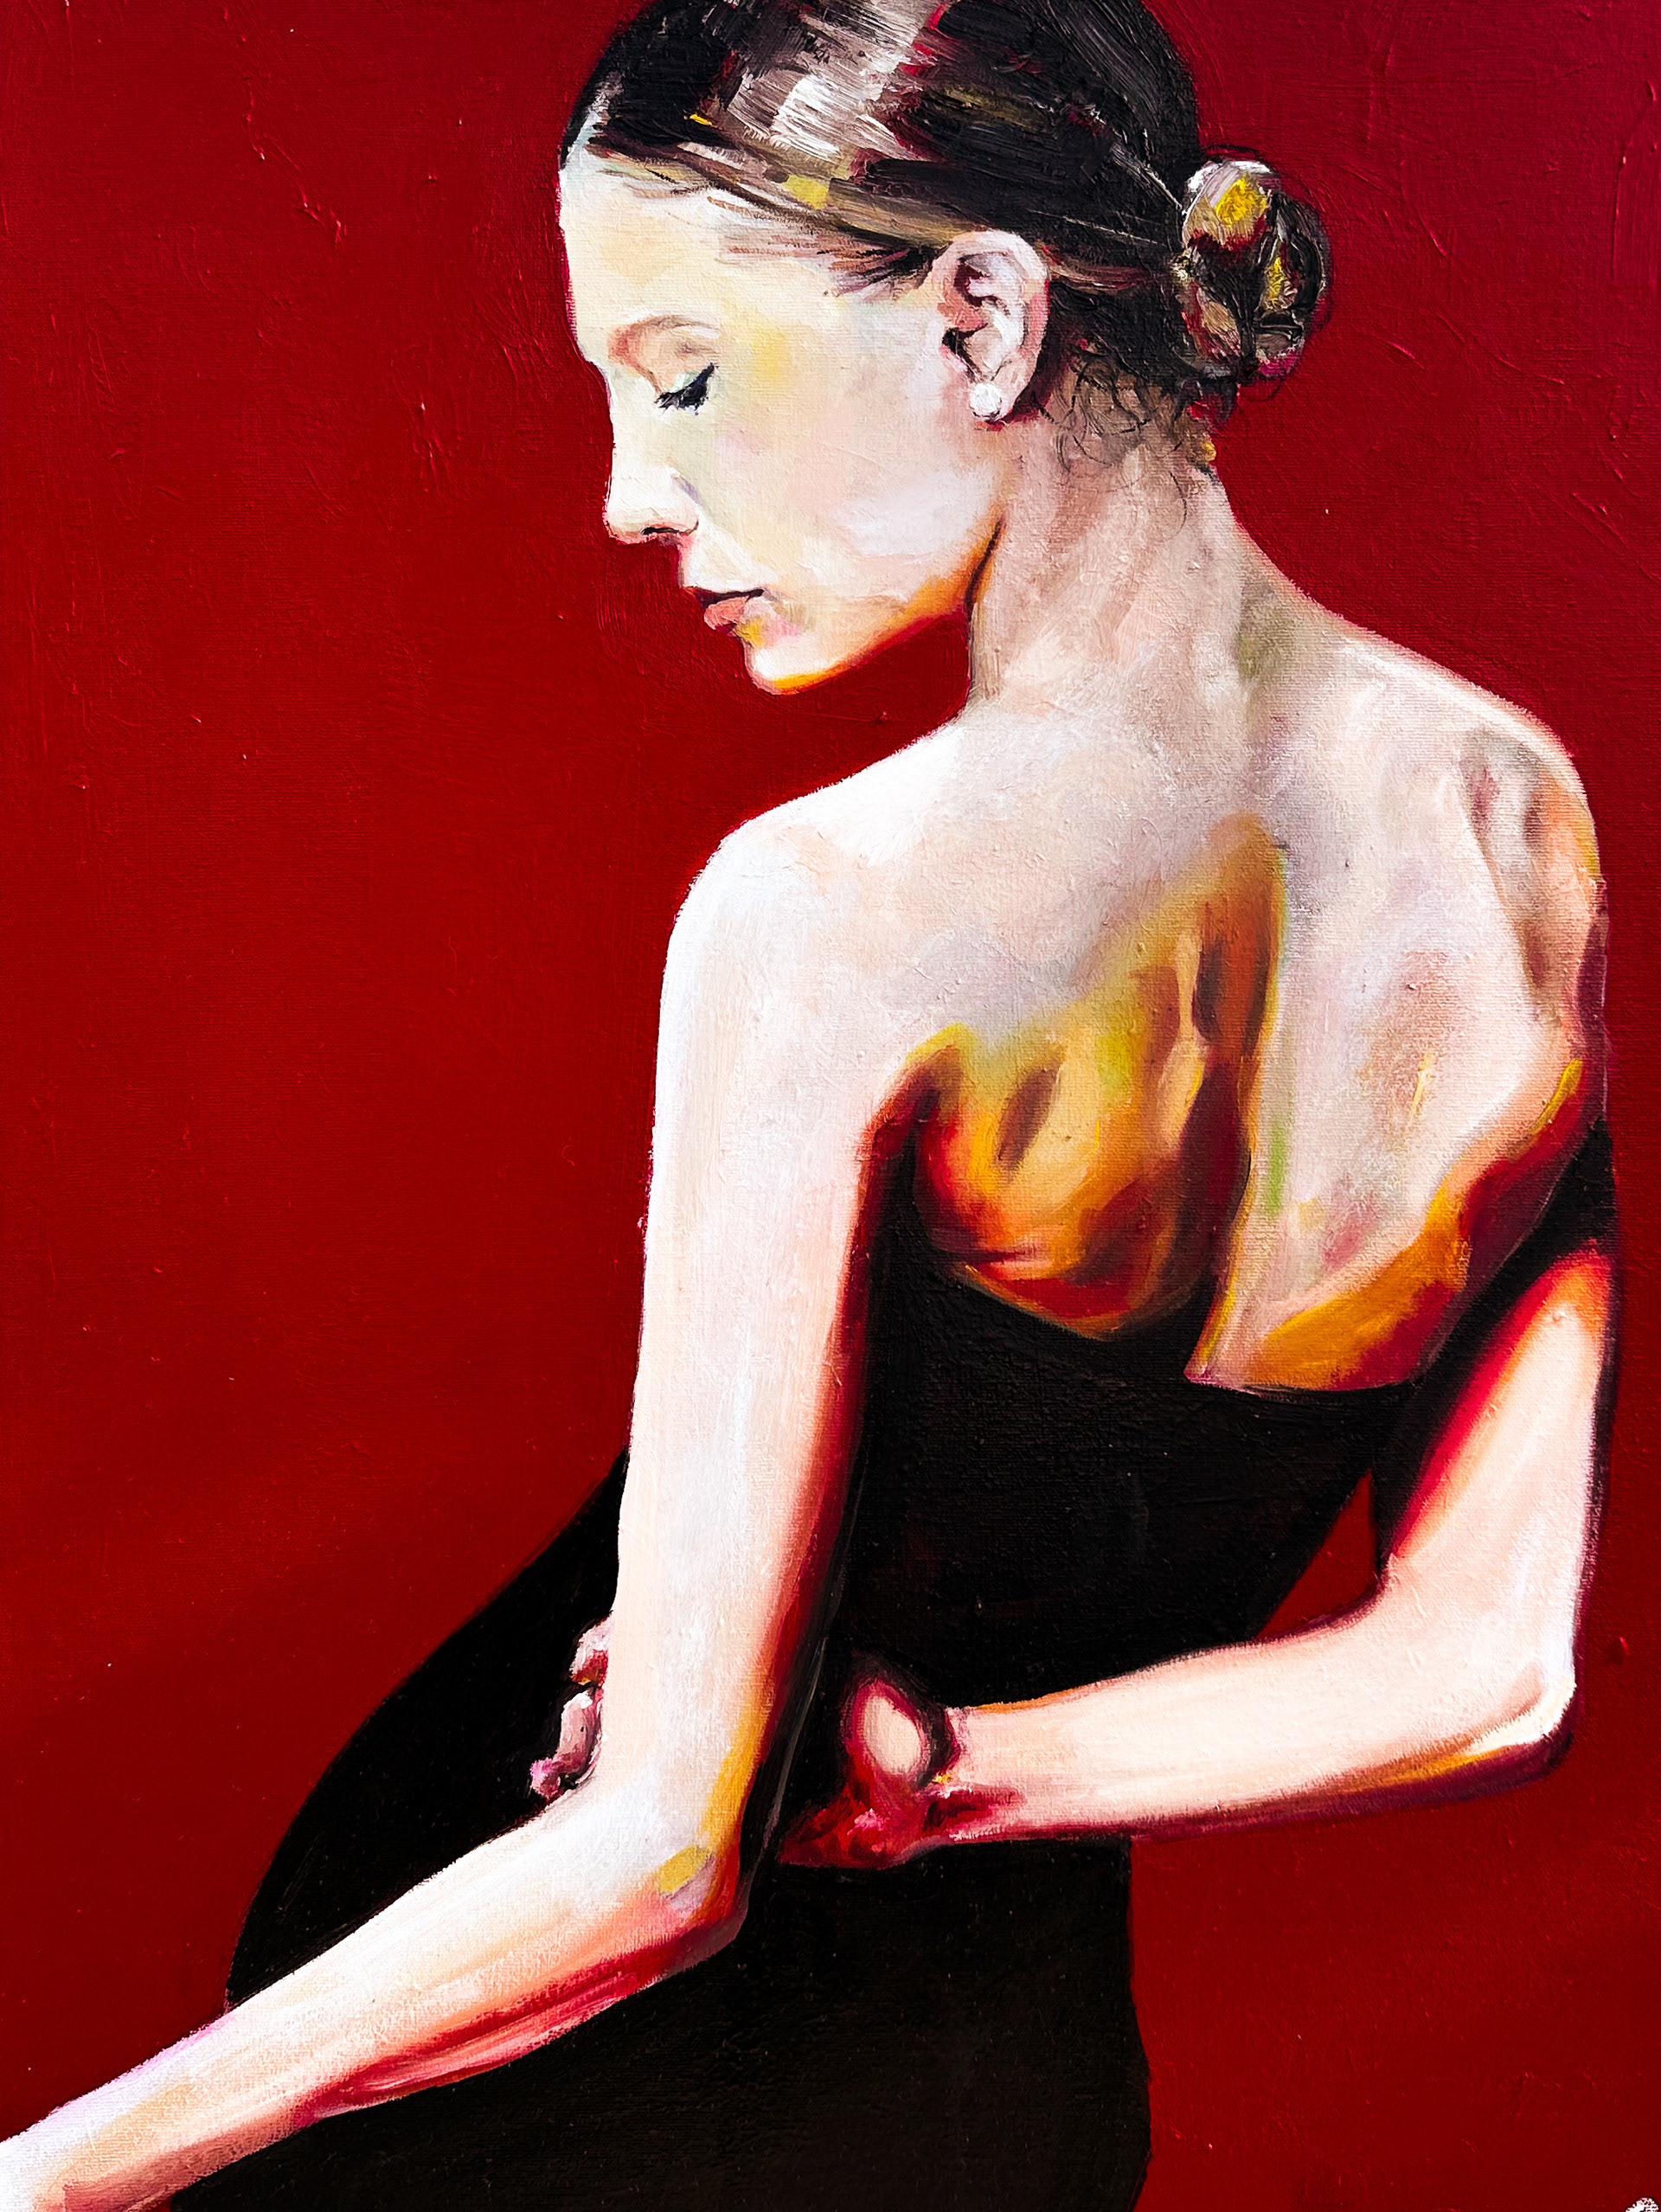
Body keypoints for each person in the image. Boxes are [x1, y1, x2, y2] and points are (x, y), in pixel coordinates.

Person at [1, 0, 1616, 2205]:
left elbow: (656, 1857)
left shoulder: (830, 913)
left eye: (680, 378)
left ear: (982, 319)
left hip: (523, 2078)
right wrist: (948, 1774)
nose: (624, 494)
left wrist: (60, 2174)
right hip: (1003, 2102)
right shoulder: (1517, 823)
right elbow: (1486, 1665)